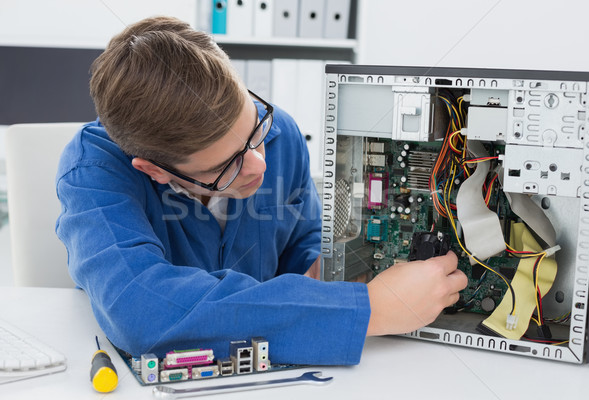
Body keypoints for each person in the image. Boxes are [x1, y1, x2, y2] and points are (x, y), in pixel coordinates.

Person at [56, 16, 467, 366]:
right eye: (225, 165)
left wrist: (334, 269)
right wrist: (370, 310)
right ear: (155, 171)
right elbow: (144, 311)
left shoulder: (281, 132)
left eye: (254, 130)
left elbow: (304, 247)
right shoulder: (93, 173)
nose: (259, 164)